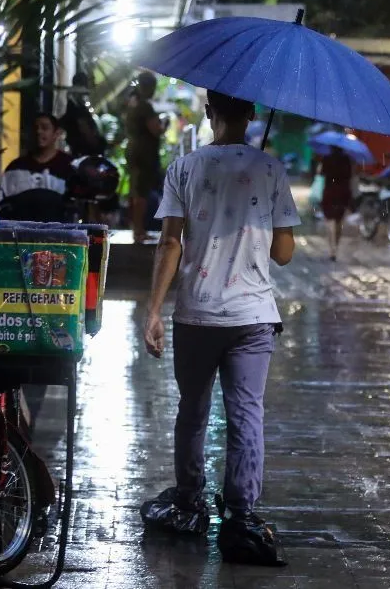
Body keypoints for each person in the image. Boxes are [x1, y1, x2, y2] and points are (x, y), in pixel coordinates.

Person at [142, 89, 300, 566]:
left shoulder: (184, 168)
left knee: (192, 411)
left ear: (209, 111)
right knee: (246, 414)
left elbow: (170, 244)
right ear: (251, 113)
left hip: (196, 313)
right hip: (253, 316)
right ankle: (241, 513)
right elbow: (284, 253)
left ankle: (189, 499)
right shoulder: (270, 169)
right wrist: (259, 223)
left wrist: (153, 311)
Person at [125, 72, 166, 243]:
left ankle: (136, 229)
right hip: (144, 154)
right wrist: (165, 125)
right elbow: (156, 129)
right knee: (141, 193)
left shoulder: (132, 103)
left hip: (134, 150)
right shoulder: (145, 107)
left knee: (135, 191)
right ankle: (139, 230)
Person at [3, 113, 74, 187]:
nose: (38, 131)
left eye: (44, 128)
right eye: (35, 128)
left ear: (56, 133)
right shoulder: (16, 167)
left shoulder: (69, 166)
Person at [317, 145, 353, 261]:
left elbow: (321, 173)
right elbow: (350, 176)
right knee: (339, 220)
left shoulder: (327, 158)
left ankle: (331, 249)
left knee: (329, 220)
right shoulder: (346, 159)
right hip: (343, 192)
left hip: (330, 192)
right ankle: (335, 247)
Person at [60, 72, 107, 159]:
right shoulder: (75, 106)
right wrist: (94, 144)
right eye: (88, 83)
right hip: (84, 151)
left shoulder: (79, 105)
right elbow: (83, 126)